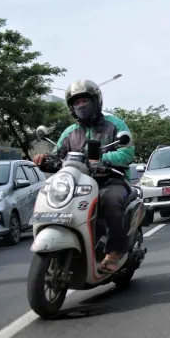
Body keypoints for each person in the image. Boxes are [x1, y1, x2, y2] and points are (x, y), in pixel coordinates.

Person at [32, 79, 135, 274]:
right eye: (76, 103)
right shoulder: (70, 132)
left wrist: (101, 158)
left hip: (110, 179)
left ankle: (113, 251)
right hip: (77, 184)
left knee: (111, 201)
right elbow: (58, 155)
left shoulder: (115, 124)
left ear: (96, 101)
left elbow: (127, 153)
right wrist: (45, 158)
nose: (81, 106)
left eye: (84, 101)